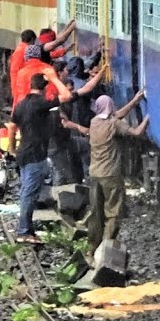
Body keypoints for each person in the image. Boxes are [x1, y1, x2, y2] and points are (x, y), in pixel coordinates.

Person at [61, 90, 149, 260]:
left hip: (94, 174)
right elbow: (137, 132)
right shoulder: (114, 125)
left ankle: (92, 249)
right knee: (113, 212)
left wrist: (135, 100)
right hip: (110, 175)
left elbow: (115, 116)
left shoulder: (94, 122)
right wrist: (148, 118)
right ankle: (105, 249)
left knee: (96, 212)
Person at [11, 72, 72, 244]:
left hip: (23, 152)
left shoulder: (21, 104)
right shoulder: (41, 104)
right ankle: (23, 231)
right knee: (28, 194)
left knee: (28, 191)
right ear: (44, 89)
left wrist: (12, 148)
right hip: (35, 154)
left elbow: (12, 127)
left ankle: (28, 229)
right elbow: (66, 96)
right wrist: (53, 78)